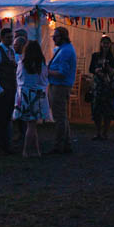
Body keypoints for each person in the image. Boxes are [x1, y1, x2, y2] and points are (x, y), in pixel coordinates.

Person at [13, 41, 49, 157]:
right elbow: (44, 80)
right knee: (32, 125)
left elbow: (18, 79)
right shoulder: (41, 64)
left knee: (31, 124)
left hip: (25, 94)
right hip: (37, 95)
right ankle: (27, 151)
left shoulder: (22, 63)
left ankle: (35, 151)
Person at [46, 26, 78, 154]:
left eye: (56, 36)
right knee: (62, 116)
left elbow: (62, 72)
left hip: (60, 86)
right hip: (58, 85)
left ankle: (59, 145)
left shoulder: (65, 51)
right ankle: (66, 143)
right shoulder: (63, 49)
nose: (53, 38)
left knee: (59, 117)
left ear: (62, 37)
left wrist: (47, 72)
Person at [89, 35, 114, 140]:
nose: (105, 45)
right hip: (97, 85)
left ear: (110, 44)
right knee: (96, 108)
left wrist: (108, 69)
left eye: (107, 43)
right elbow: (91, 68)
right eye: (104, 43)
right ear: (101, 44)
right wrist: (96, 70)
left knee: (107, 109)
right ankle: (97, 132)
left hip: (108, 84)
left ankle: (105, 132)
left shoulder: (113, 57)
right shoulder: (95, 55)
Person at [10, 29, 29, 146]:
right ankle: (18, 133)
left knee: (23, 112)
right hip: (16, 87)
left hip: (23, 87)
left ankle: (24, 133)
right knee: (16, 111)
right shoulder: (14, 54)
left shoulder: (27, 55)